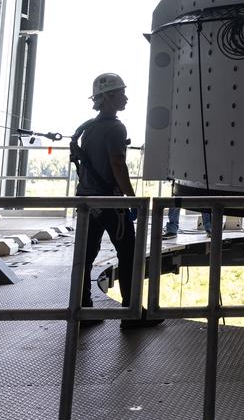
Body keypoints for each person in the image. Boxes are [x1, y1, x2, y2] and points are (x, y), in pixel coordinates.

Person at [73, 72, 162, 329]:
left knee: (86, 255)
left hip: (87, 202)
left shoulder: (88, 129)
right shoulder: (115, 127)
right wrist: (131, 199)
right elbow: (117, 164)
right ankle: (132, 311)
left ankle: (83, 308)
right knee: (128, 255)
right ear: (109, 97)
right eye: (121, 92)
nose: (126, 97)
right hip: (111, 203)